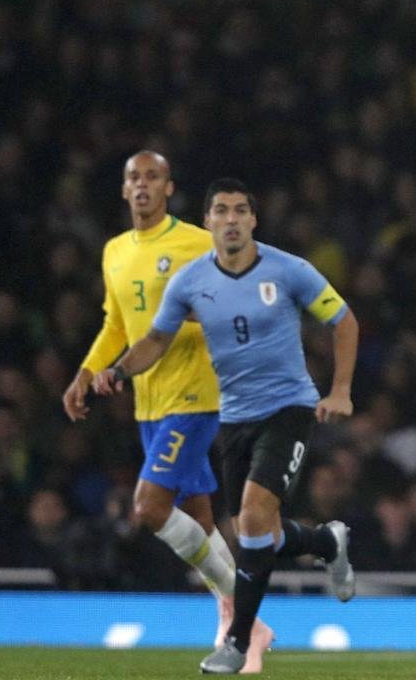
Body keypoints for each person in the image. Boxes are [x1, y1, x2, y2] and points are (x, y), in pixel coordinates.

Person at [92, 178, 359, 675]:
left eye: (240, 209)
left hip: (288, 410)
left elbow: (343, 321)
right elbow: (156, 339)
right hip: (234, 420)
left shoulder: (288, 270)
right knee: (260, 535)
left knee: (254, 521)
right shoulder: (191, 281)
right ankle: (327, 542)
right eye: (221, 210)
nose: (231, 218)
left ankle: (237, 640)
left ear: (253, 220)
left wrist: (340, 391)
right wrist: (118, 371)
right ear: (209, 221)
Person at [61, 152, 273, 670]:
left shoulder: (196, 244)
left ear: (168, 188)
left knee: (150, 508)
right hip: (149, 402)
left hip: (196, 397)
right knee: (199, 521)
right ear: (123, 188)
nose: (142, 185)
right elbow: (117, 322)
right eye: (133, 177)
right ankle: (231, 617)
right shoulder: (115, 251)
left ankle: (249, 621)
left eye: (152, 177)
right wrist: (87, 372)